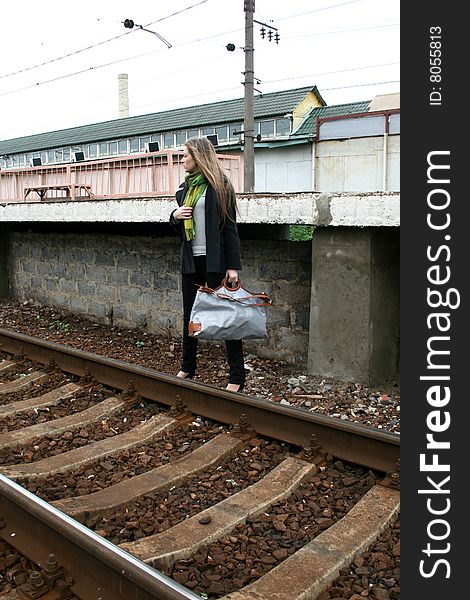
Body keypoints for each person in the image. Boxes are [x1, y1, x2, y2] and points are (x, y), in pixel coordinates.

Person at [169, 137, 245, 392]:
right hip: (191, 263)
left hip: (215, 263)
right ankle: (187, 367)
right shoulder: (185, 189)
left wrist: (232, 267)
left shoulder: (220, 186)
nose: (182, 159)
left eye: (185, 155)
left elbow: (230, 228)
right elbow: (180, 230)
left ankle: (236, 377)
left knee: (227, 317)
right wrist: (174, 216)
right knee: (189, 316)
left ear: (198, 156)